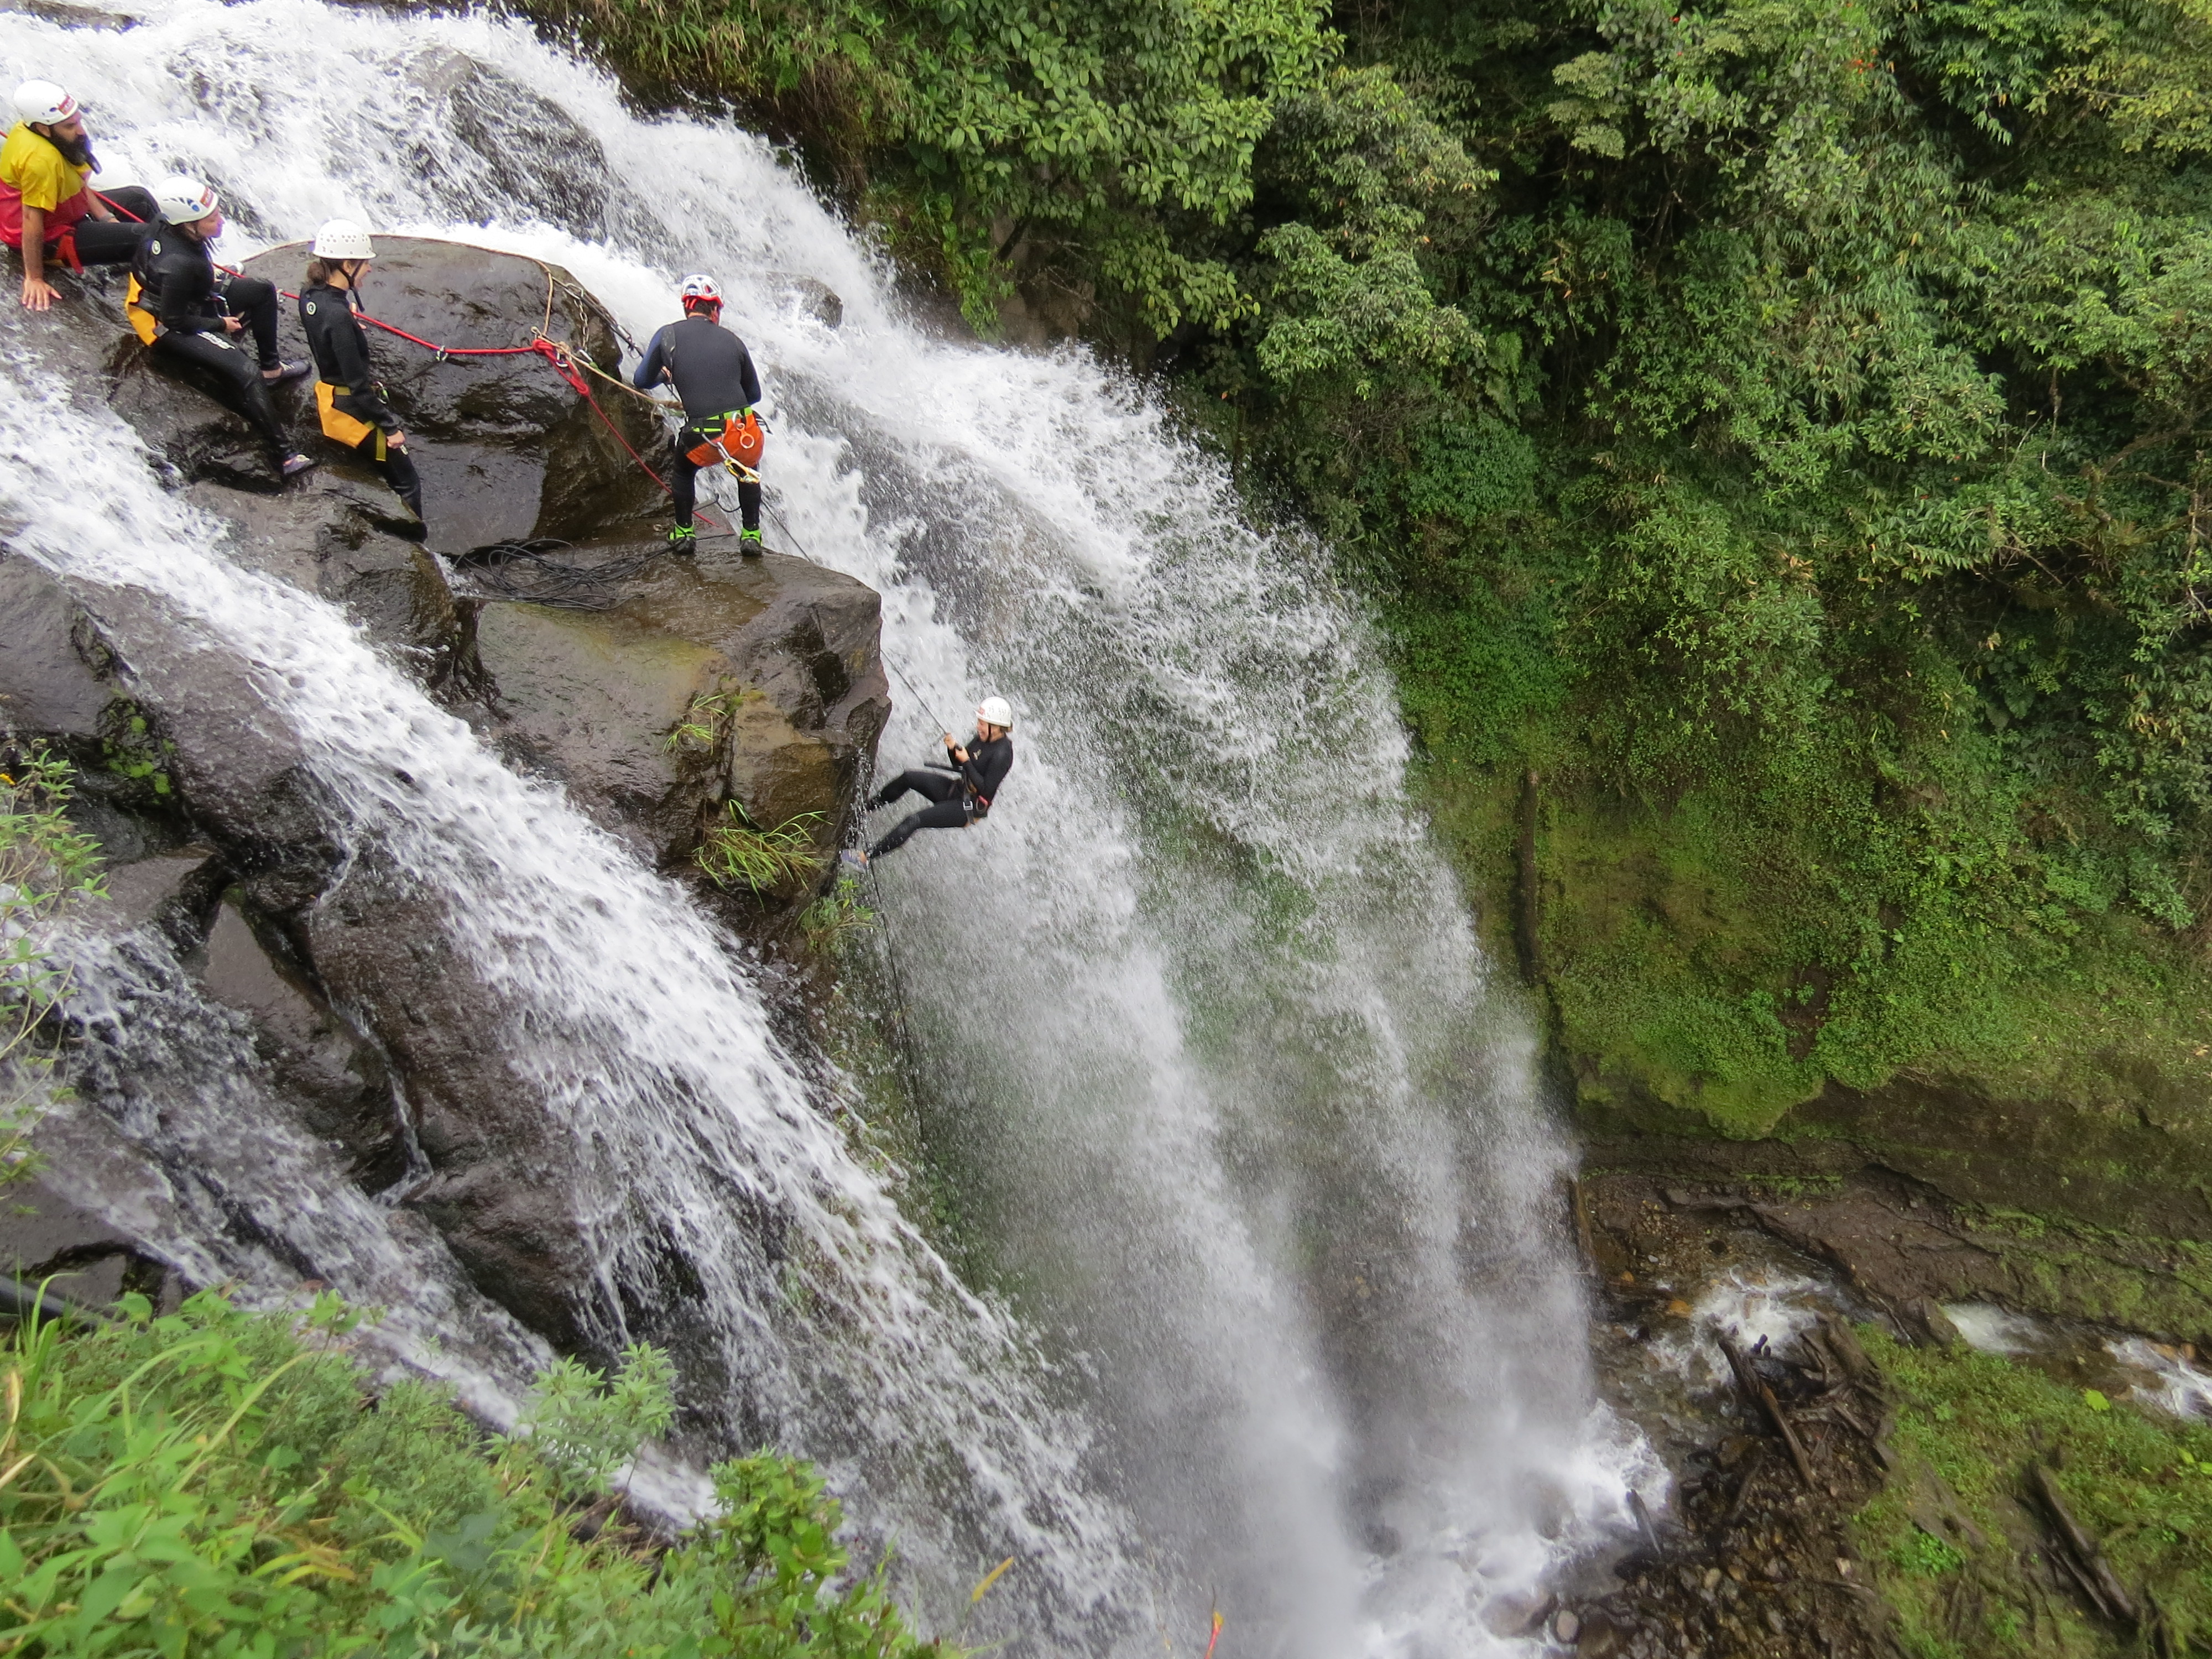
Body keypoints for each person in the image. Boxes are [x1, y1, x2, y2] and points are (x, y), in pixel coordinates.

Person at [126, 174, 312, 478]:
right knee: (245, 372)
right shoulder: (178, 265)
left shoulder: (172, 225)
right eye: (213, 218)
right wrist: (218, 324)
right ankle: (286, 456)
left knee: (262, 290)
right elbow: (174, 320)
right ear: (189, 224)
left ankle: (272, 369)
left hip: (187, 297)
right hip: (162, 324)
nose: (222, 221)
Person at [298, 219, 423, 524]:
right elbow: (358, 385)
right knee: (408, 483)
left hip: (329, 395)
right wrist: (390, 428)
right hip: (350, 407)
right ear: (347, 264)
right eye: (365, 263)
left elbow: (327, 321)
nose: (368, 269)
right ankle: (413, 542)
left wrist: (346, 319)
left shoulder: (310, 295)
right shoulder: (338, 315)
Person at [631, 273, 764, 556]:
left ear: (686, 308)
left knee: (683, 469)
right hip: (743, 431)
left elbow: (641, 380)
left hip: (703, 436)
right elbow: (754, 395)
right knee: (748, 470)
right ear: (714, 310)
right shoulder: (733, 340)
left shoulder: (668, 335)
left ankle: (684, 533)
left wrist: (664, 375)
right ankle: (751, 535)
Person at [3, 80, 159, 310]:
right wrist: (34, 278)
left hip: (67, 213)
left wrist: (106, 218)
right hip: (52, 237)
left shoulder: (46, 133)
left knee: (139, 198)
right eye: (69, 126)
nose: (80, 131)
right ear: (44, 128)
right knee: (149, 238)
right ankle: (177, 291)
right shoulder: (39, 161)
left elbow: (75, 180)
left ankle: (188, 261)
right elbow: (31, 219)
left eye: (78, 121)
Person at [849, 697, 1016, 865]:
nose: (977, 726)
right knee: (909, 777)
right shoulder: (982, 738)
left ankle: (863, 858)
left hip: (969, 808)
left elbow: (986, 790)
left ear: (995, 727)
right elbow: (958, 763)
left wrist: (966, 761)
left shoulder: (1003, 753)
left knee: (914, 820)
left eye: (982, 723)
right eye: (979, 722)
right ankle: (863, 810)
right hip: (957, 790)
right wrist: (953, 749)